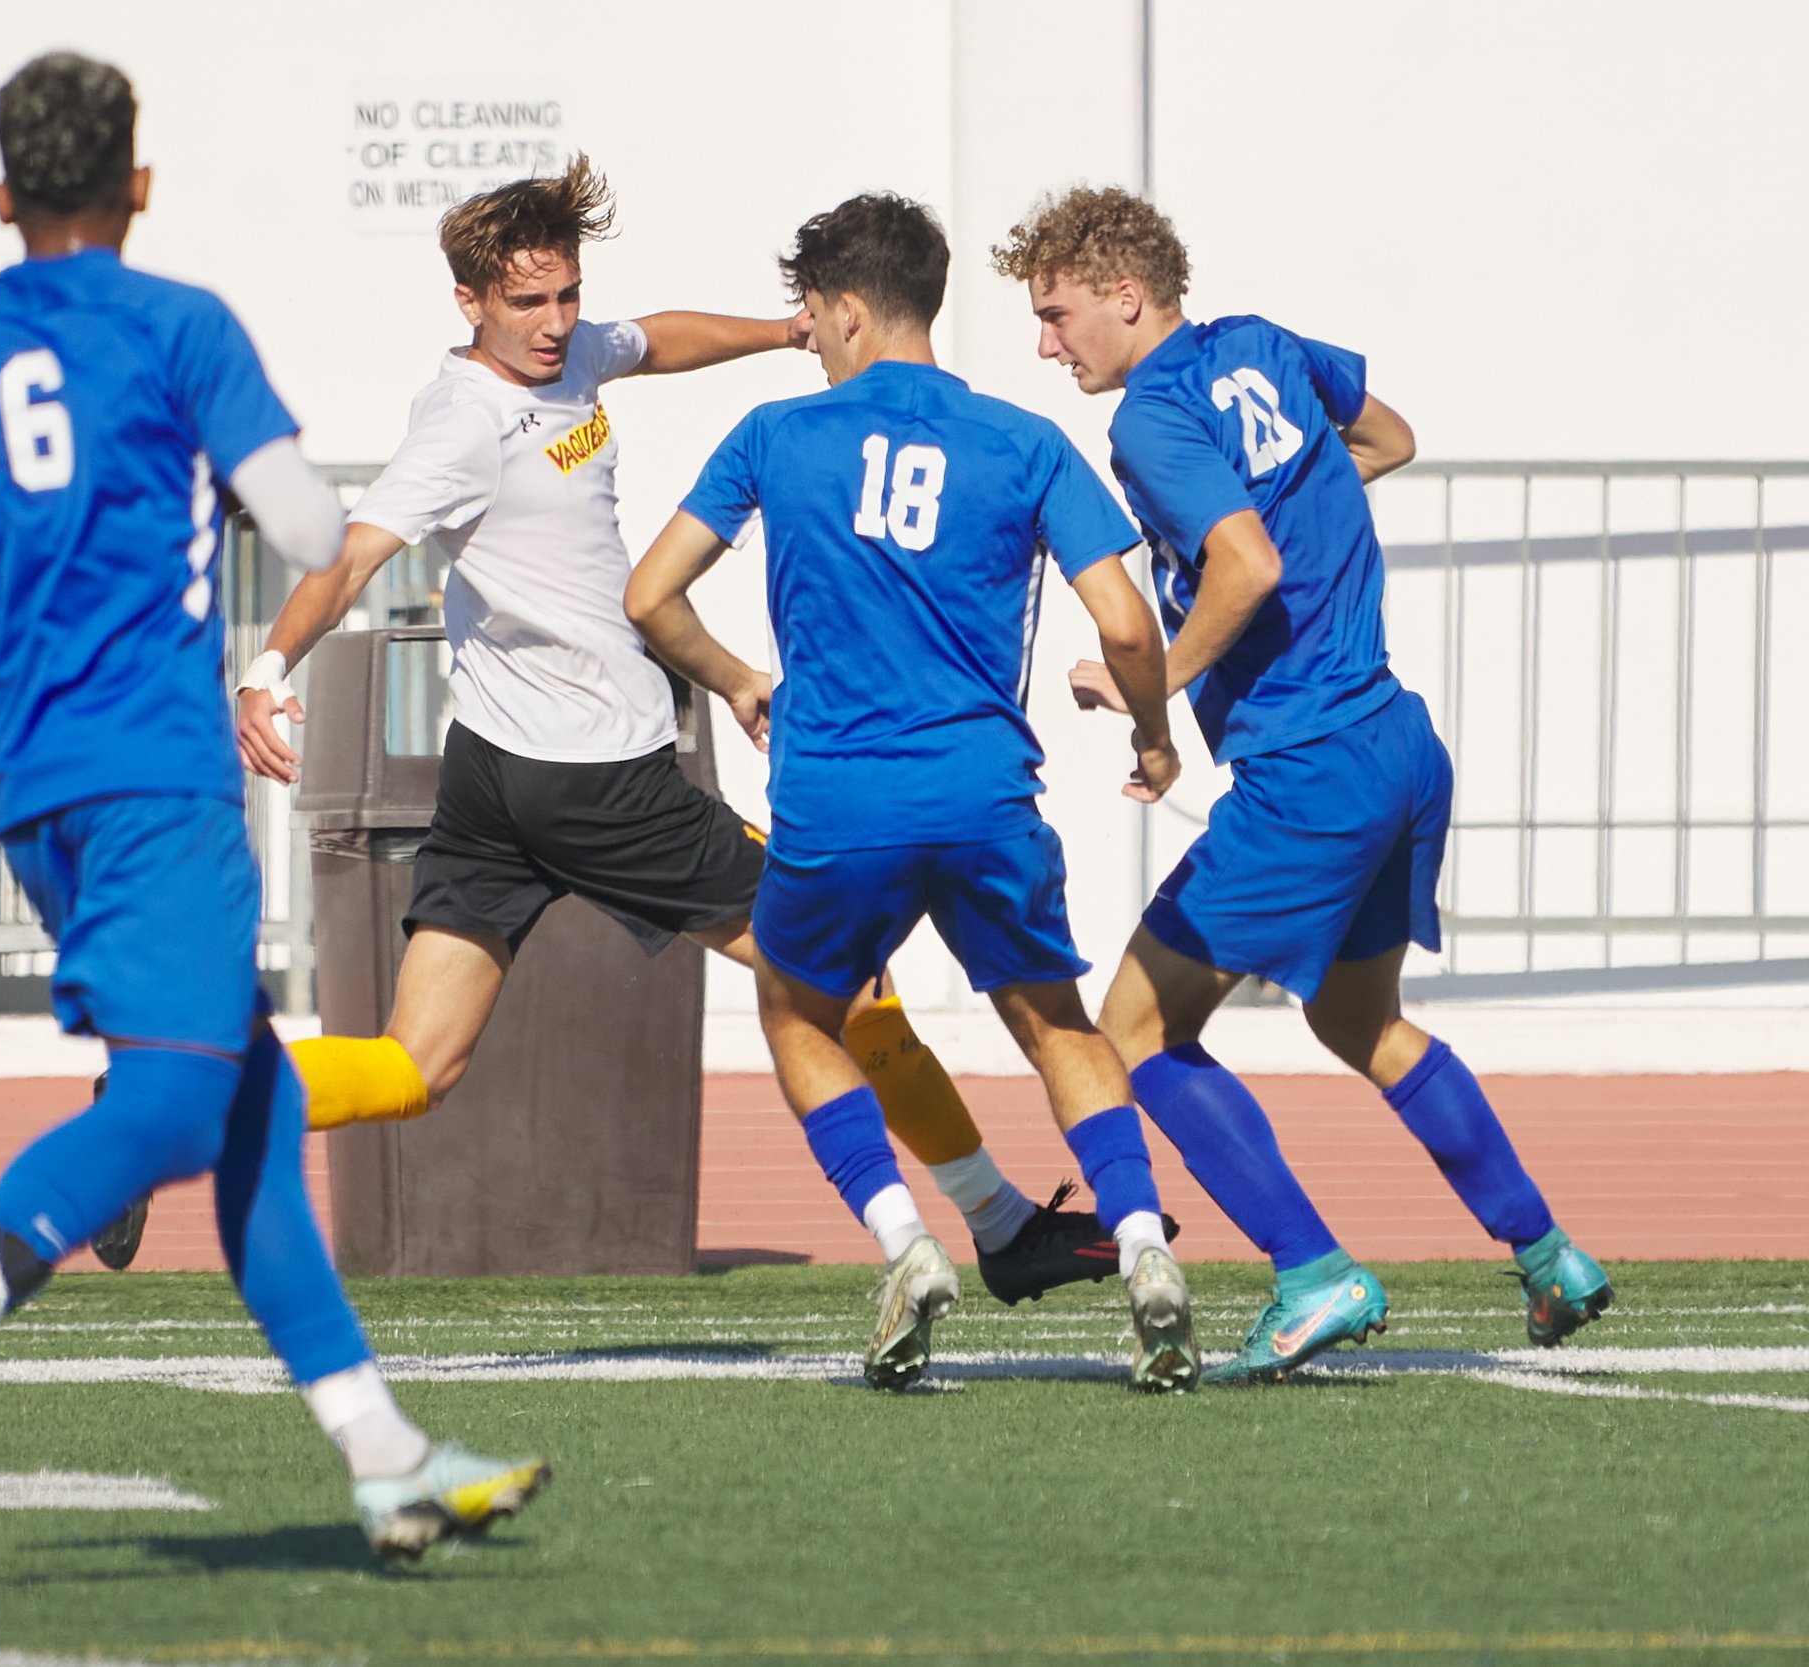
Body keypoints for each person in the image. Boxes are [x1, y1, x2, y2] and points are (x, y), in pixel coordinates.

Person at [0, 51, 546, 1559]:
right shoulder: (180, 328)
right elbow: (313, 523)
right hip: (154, 768)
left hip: (35, 786)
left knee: (251, 1109)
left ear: (3, 196)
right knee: (178, 1098)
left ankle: (384, 1452)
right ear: (139, 184)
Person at [233, 155, 1152, 1322]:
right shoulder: (464, 419)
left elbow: (650, 339)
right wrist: (267, 667)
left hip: (494, 778)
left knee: (414, 1066)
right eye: (528, 303)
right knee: (846, 991)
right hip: (603, 781)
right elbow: (356, 549)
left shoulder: (568, 359)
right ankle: (998, 1225)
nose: (559, 323)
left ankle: (172, 1102)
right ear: (468, 302)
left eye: (567, 294)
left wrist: (783, 330)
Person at [994, 185, 1615, 1384]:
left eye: (1056, 313)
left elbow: (1247, 560)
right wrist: (1289, 512)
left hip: (1309, 767)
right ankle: (1548, 1255)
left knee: (1129, 1031)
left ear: (1127, 297)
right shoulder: (1267, 345)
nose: (1045, 342)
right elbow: (1388, 440)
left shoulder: (1152, 417)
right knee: (1356, 1019)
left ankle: (1310, 1269)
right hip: (1396, 744)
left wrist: (1147, 688)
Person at [626, 193, 1201, 1393]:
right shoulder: (1027, 442)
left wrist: (739, 681)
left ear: (843, 309)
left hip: (837, 802)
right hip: (985, 796)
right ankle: (1144, 1245)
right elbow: (1126, 622)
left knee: (797, 1014)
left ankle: (904, 1241)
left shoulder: (776, 434)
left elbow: (649, 595)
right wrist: (1152, 734)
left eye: (815, 318)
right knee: (1057, 1024)